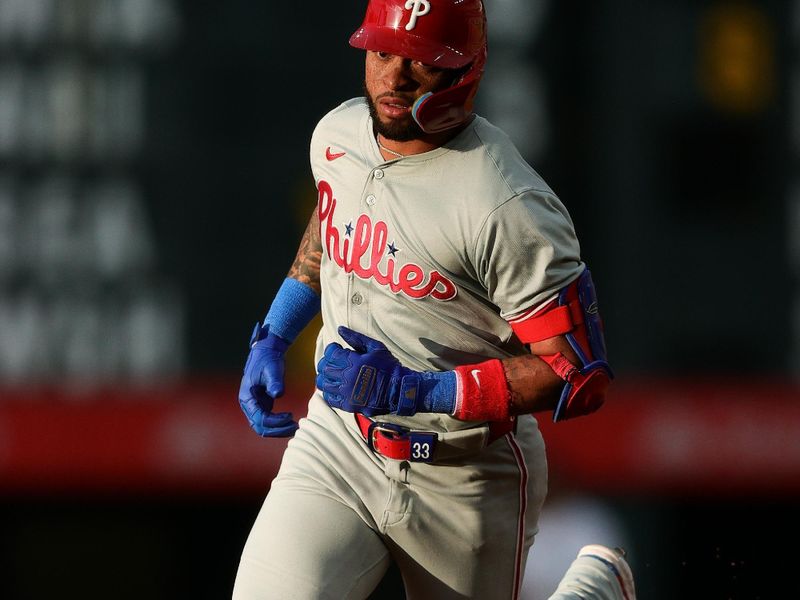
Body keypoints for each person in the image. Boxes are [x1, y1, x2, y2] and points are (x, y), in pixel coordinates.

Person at [233, 1, 615, 598]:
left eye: (421, 60)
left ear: (465, 70)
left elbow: (573, 373)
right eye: (383, 52)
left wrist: (417, 390)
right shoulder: (337, 135)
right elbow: (333, 221)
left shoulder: (506, 202)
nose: (394, 76)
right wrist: (277, 331)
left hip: (463, 472)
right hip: (340, 443)